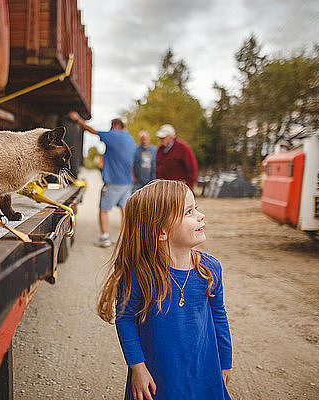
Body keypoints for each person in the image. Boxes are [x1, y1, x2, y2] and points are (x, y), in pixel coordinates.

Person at [98, 180, 233, 400]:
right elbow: (125, 320)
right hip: (160, 376)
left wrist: (225, 362)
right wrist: (138, 368)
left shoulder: (210, 270)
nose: (201, 215)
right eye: (189, 211)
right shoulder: (140, 274)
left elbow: (219, 316)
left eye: (196, 208)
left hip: (204, 368)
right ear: (161, 231)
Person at [70, 111, 136, 248]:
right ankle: (126, 237)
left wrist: (78, 119)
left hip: (113, 181)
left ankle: (105, 237)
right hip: (128, 182)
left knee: (103, 209)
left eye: (111, 126)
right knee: (124, 209)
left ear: (115, 125)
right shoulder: (130, 138)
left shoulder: (114, 135)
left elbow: (92, 131)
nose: (110, 129)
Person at [155, 124, 198, 189]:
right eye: (160, 138)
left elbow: (192, 168)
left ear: (171, 137)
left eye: (163, 137)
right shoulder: (160, 150)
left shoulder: (182, 148)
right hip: (164, 189)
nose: (161, 139)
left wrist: (188, 187)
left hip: (179, 188)